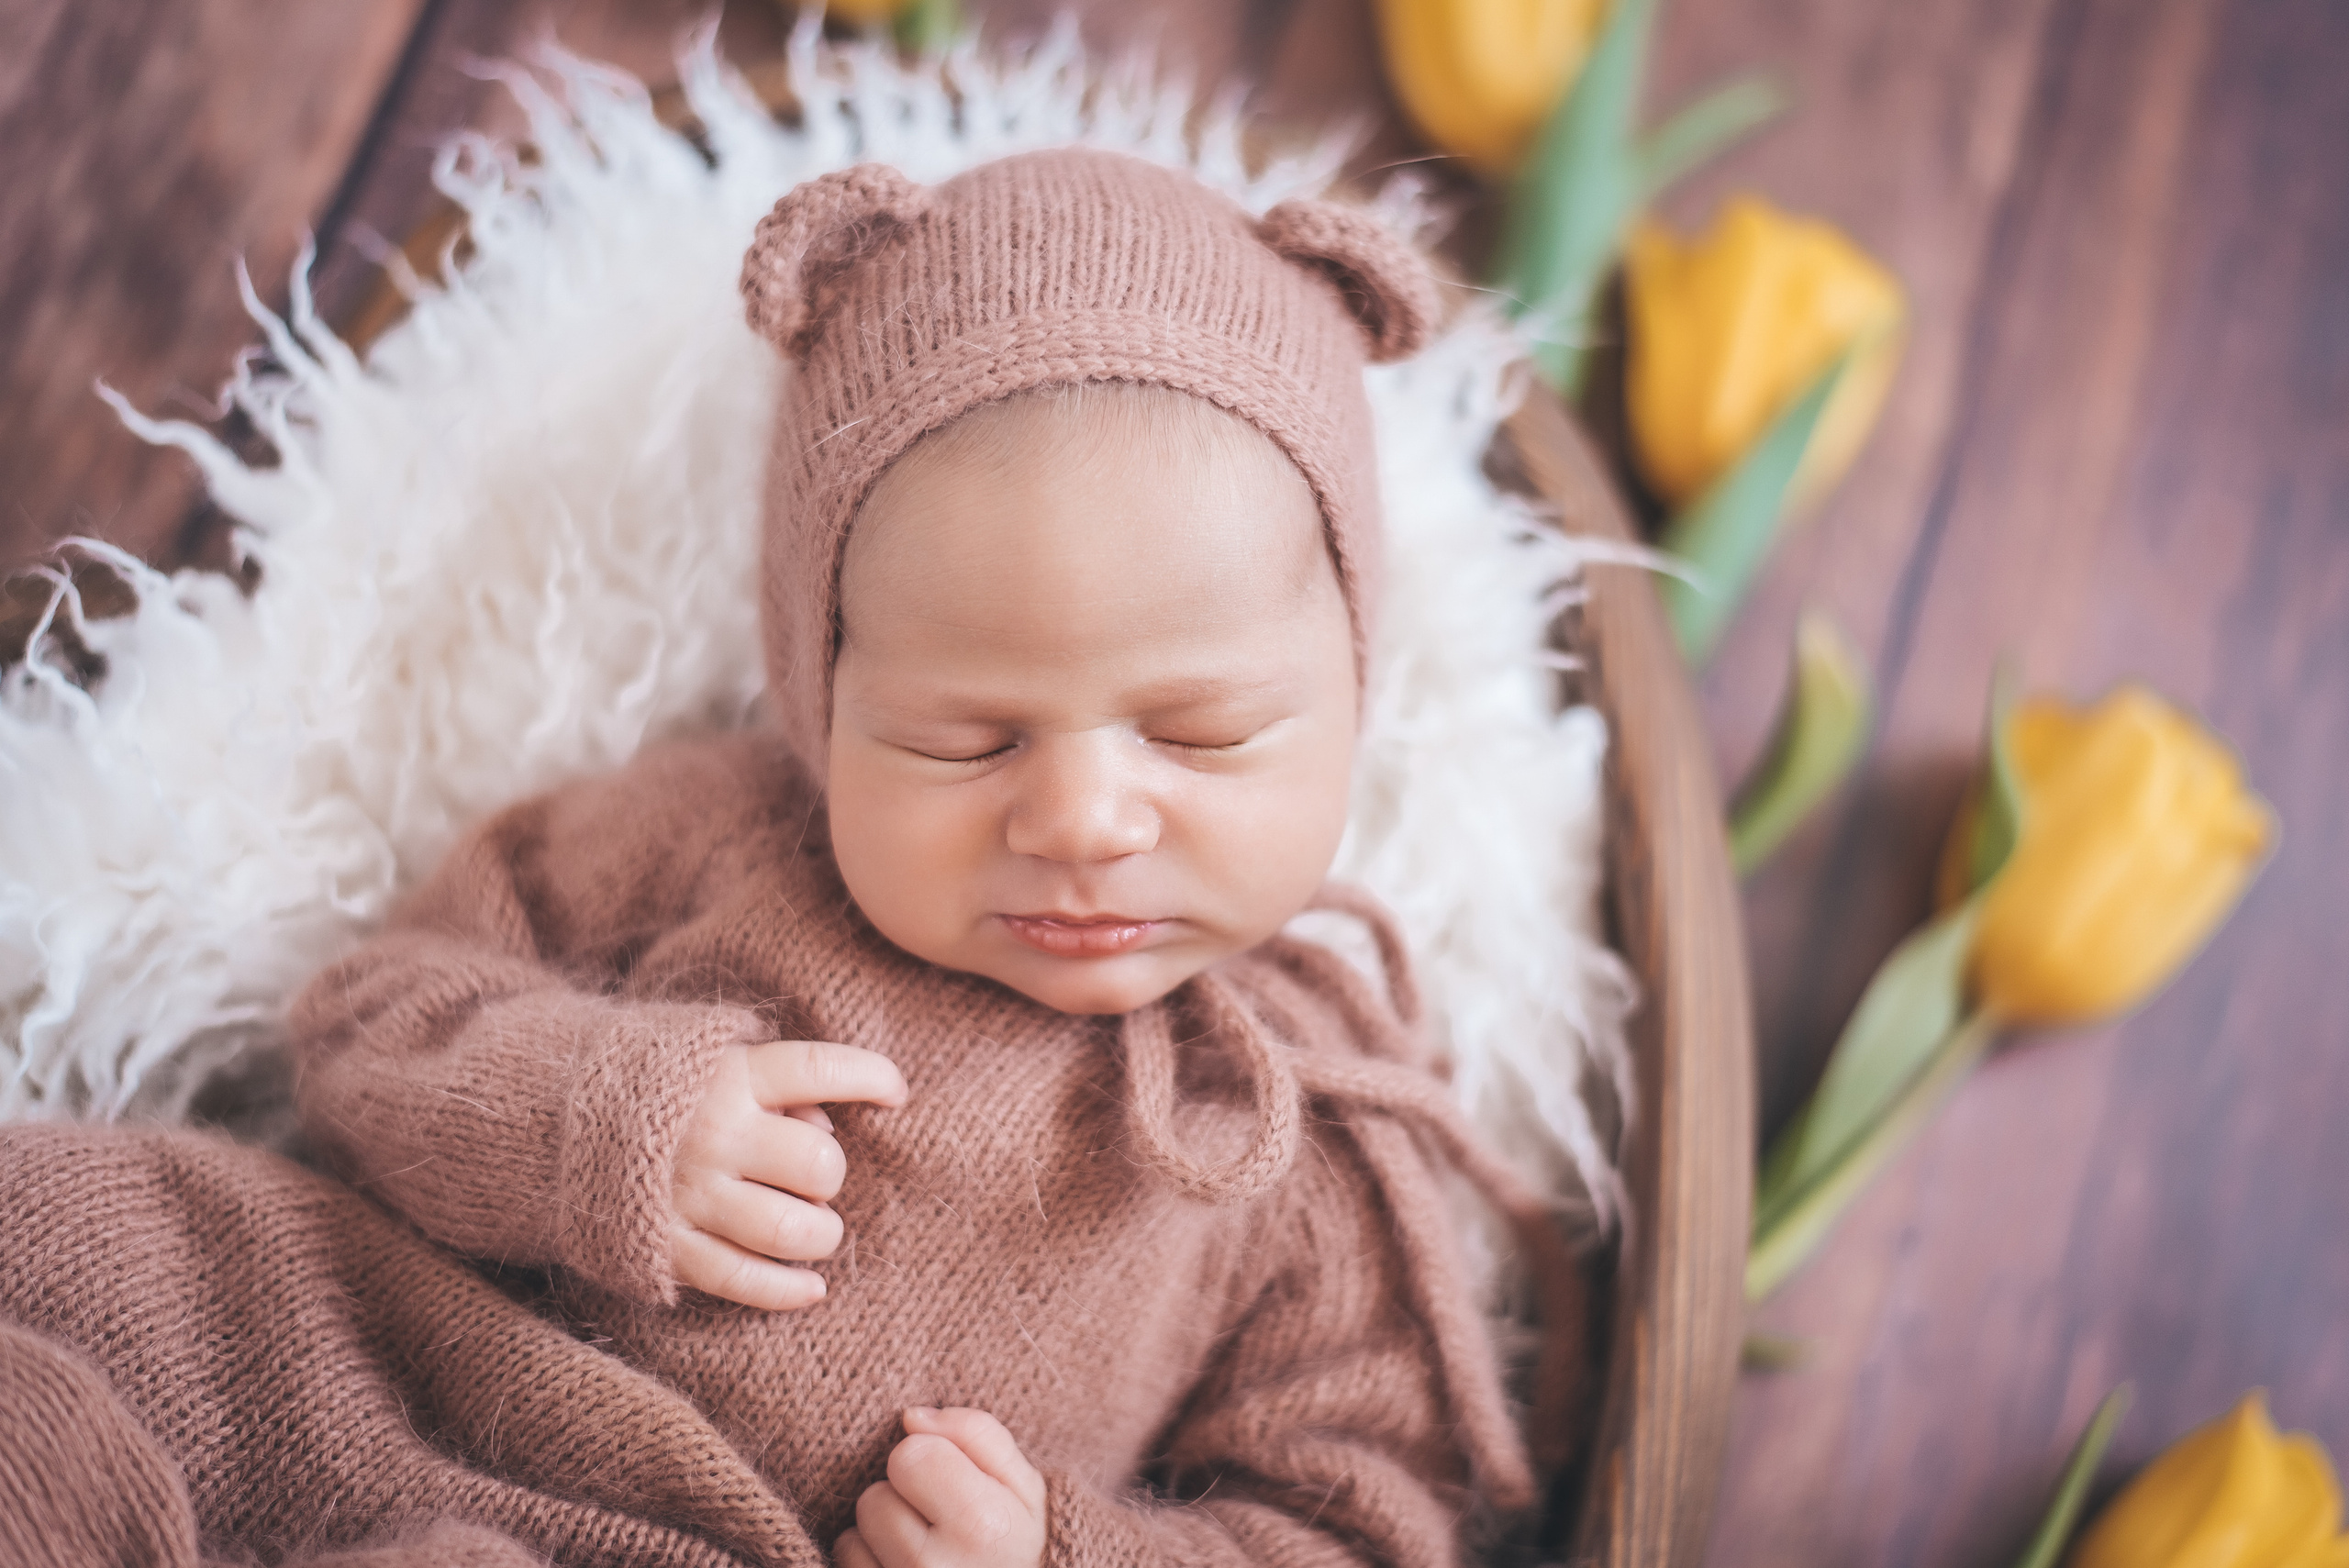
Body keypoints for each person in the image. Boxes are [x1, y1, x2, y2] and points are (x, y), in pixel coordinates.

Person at [0, 148, 1572, 1568]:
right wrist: (592, 1114)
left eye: (1205, 732)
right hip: (393, 1353)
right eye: (966, 738)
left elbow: (1364, 1525)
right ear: (822, 697)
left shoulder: (1303, 1129)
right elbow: (365, 1028)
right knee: (68, 1244)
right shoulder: (715, 834)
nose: (1085, 819)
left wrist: (1066, 1552)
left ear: (1351, 696)